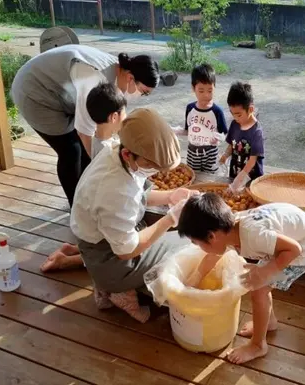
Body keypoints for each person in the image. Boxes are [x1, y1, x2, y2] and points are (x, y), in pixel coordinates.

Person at [70, 108, 196, 321]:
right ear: (129, 154)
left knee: (164, 234)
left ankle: (113, 286)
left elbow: (139, 193)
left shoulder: (116, 153)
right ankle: (117, 288)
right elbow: (127, 251)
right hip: (110, 259)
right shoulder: (115, 190)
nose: (154, 172)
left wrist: (170, 196)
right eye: (150, 166)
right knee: (186, 241)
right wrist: (171, 218)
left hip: (101, 243)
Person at [177, 194, 305, 364]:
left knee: (259, 290)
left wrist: (267, 271)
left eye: (196, 242)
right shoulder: (229, 229)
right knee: (261, 285)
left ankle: (258, 345)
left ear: (211, 236)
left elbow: (294, 249)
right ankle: (269, 322)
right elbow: (212, 255)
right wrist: (194, 279)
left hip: (303, 249)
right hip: (288, 236)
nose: (197, 247)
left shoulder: (253, 236)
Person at [11, 44, 159, 207]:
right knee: (72, 150)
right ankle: (78, 206)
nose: (142, 96)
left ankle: (89, 195)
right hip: (36, 93)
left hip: (63, 94)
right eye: (143, 92)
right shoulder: (94, 79)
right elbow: (85, 132)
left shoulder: (119, 74)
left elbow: (111, 126)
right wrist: (111, 168)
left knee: (87, 151)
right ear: (131, 78)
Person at [40, 82, 127, 273]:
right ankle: (67, 261)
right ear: (114, 117)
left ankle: (72, 249)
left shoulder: (99, 138)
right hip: (98, 218)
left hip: (88, 215)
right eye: (124, 113)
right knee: (120, 247)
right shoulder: (109, 152)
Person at [182, 64, 228, 173]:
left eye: (210, 90)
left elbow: (225, 134)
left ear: (214, 87)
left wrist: (218, 138)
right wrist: (173, 131)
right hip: (193, 153)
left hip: (210, 153)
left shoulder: (217, 111)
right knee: (193, 176)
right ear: (193, 88)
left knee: (211, 178)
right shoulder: (190, 108)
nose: (206, 95)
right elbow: (187, 130)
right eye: (201, 91)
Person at [219, 82, 265, 190]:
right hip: (235, 174)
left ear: (250, 109)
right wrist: (225, 155)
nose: (235, 118)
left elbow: (252, 161)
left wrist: (240, 178)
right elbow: (232, 144)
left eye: (239, 114)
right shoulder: (235, 124)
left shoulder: (256, 132)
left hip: (251, 179)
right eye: (232, 114)